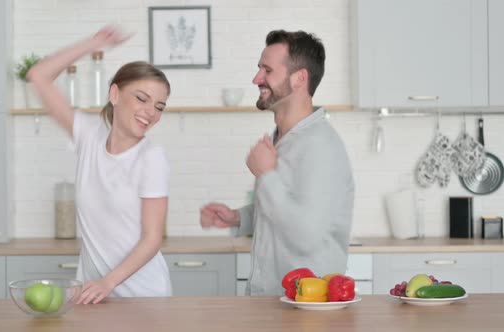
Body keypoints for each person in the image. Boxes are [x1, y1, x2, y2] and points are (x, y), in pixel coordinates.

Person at [200, 30, 354, 296]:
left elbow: (307, 235)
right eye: (259, 68)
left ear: (299, 78)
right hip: (272, 303)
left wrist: (267, 175)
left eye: (267, 70)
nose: (256, 78)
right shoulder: (284, 139)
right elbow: (287, 210)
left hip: (304, 310)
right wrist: (239, 218)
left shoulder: (320, 146)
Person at [27, 26, 172, 303]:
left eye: (159, 106)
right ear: (115, 94)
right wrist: (92, 43)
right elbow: (39, 76)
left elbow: (152, 239)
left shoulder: (151, 157)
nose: (151, 112)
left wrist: (108, 282)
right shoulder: (89, 136)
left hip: (144, 297)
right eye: (142, 98)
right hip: (94, 297)